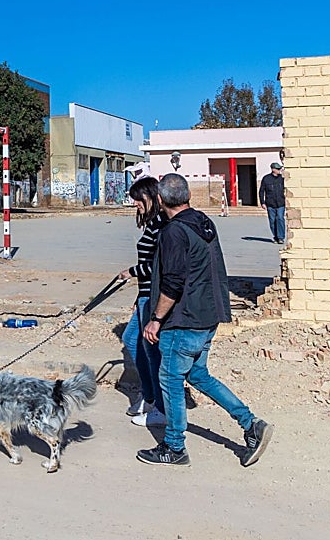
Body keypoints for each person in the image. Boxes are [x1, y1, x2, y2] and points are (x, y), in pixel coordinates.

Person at [138, 173, 273, 467]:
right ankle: (251, 425)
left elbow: (173, 283)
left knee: (170, 379)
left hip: (184, 319)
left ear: (160, 200)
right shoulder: (203, 222)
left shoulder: (174, 232)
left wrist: (156, 319)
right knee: (198, 375)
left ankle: (174, 446)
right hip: (208, 315)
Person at [118, 177, 165, 426]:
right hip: (144, 294)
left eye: (138, 198)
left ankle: (159, 403)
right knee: (131, 340)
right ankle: (148, 395)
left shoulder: (161, 224)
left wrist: (132, 272)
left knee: (149, 350)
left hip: (153, 294)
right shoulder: (151, 223)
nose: (134, 203)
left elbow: (159, 265)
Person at [259, 162, 286, 244]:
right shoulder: (266, 179)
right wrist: (262, 202)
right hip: (270, 204)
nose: (279, 170)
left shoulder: (282, 178)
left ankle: (281, 237)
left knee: (280, 218)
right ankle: (276, 236)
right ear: (273, 169)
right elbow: (261, 191)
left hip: (281, 203)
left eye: (280, 169)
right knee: (272, 220)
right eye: (278, 169)